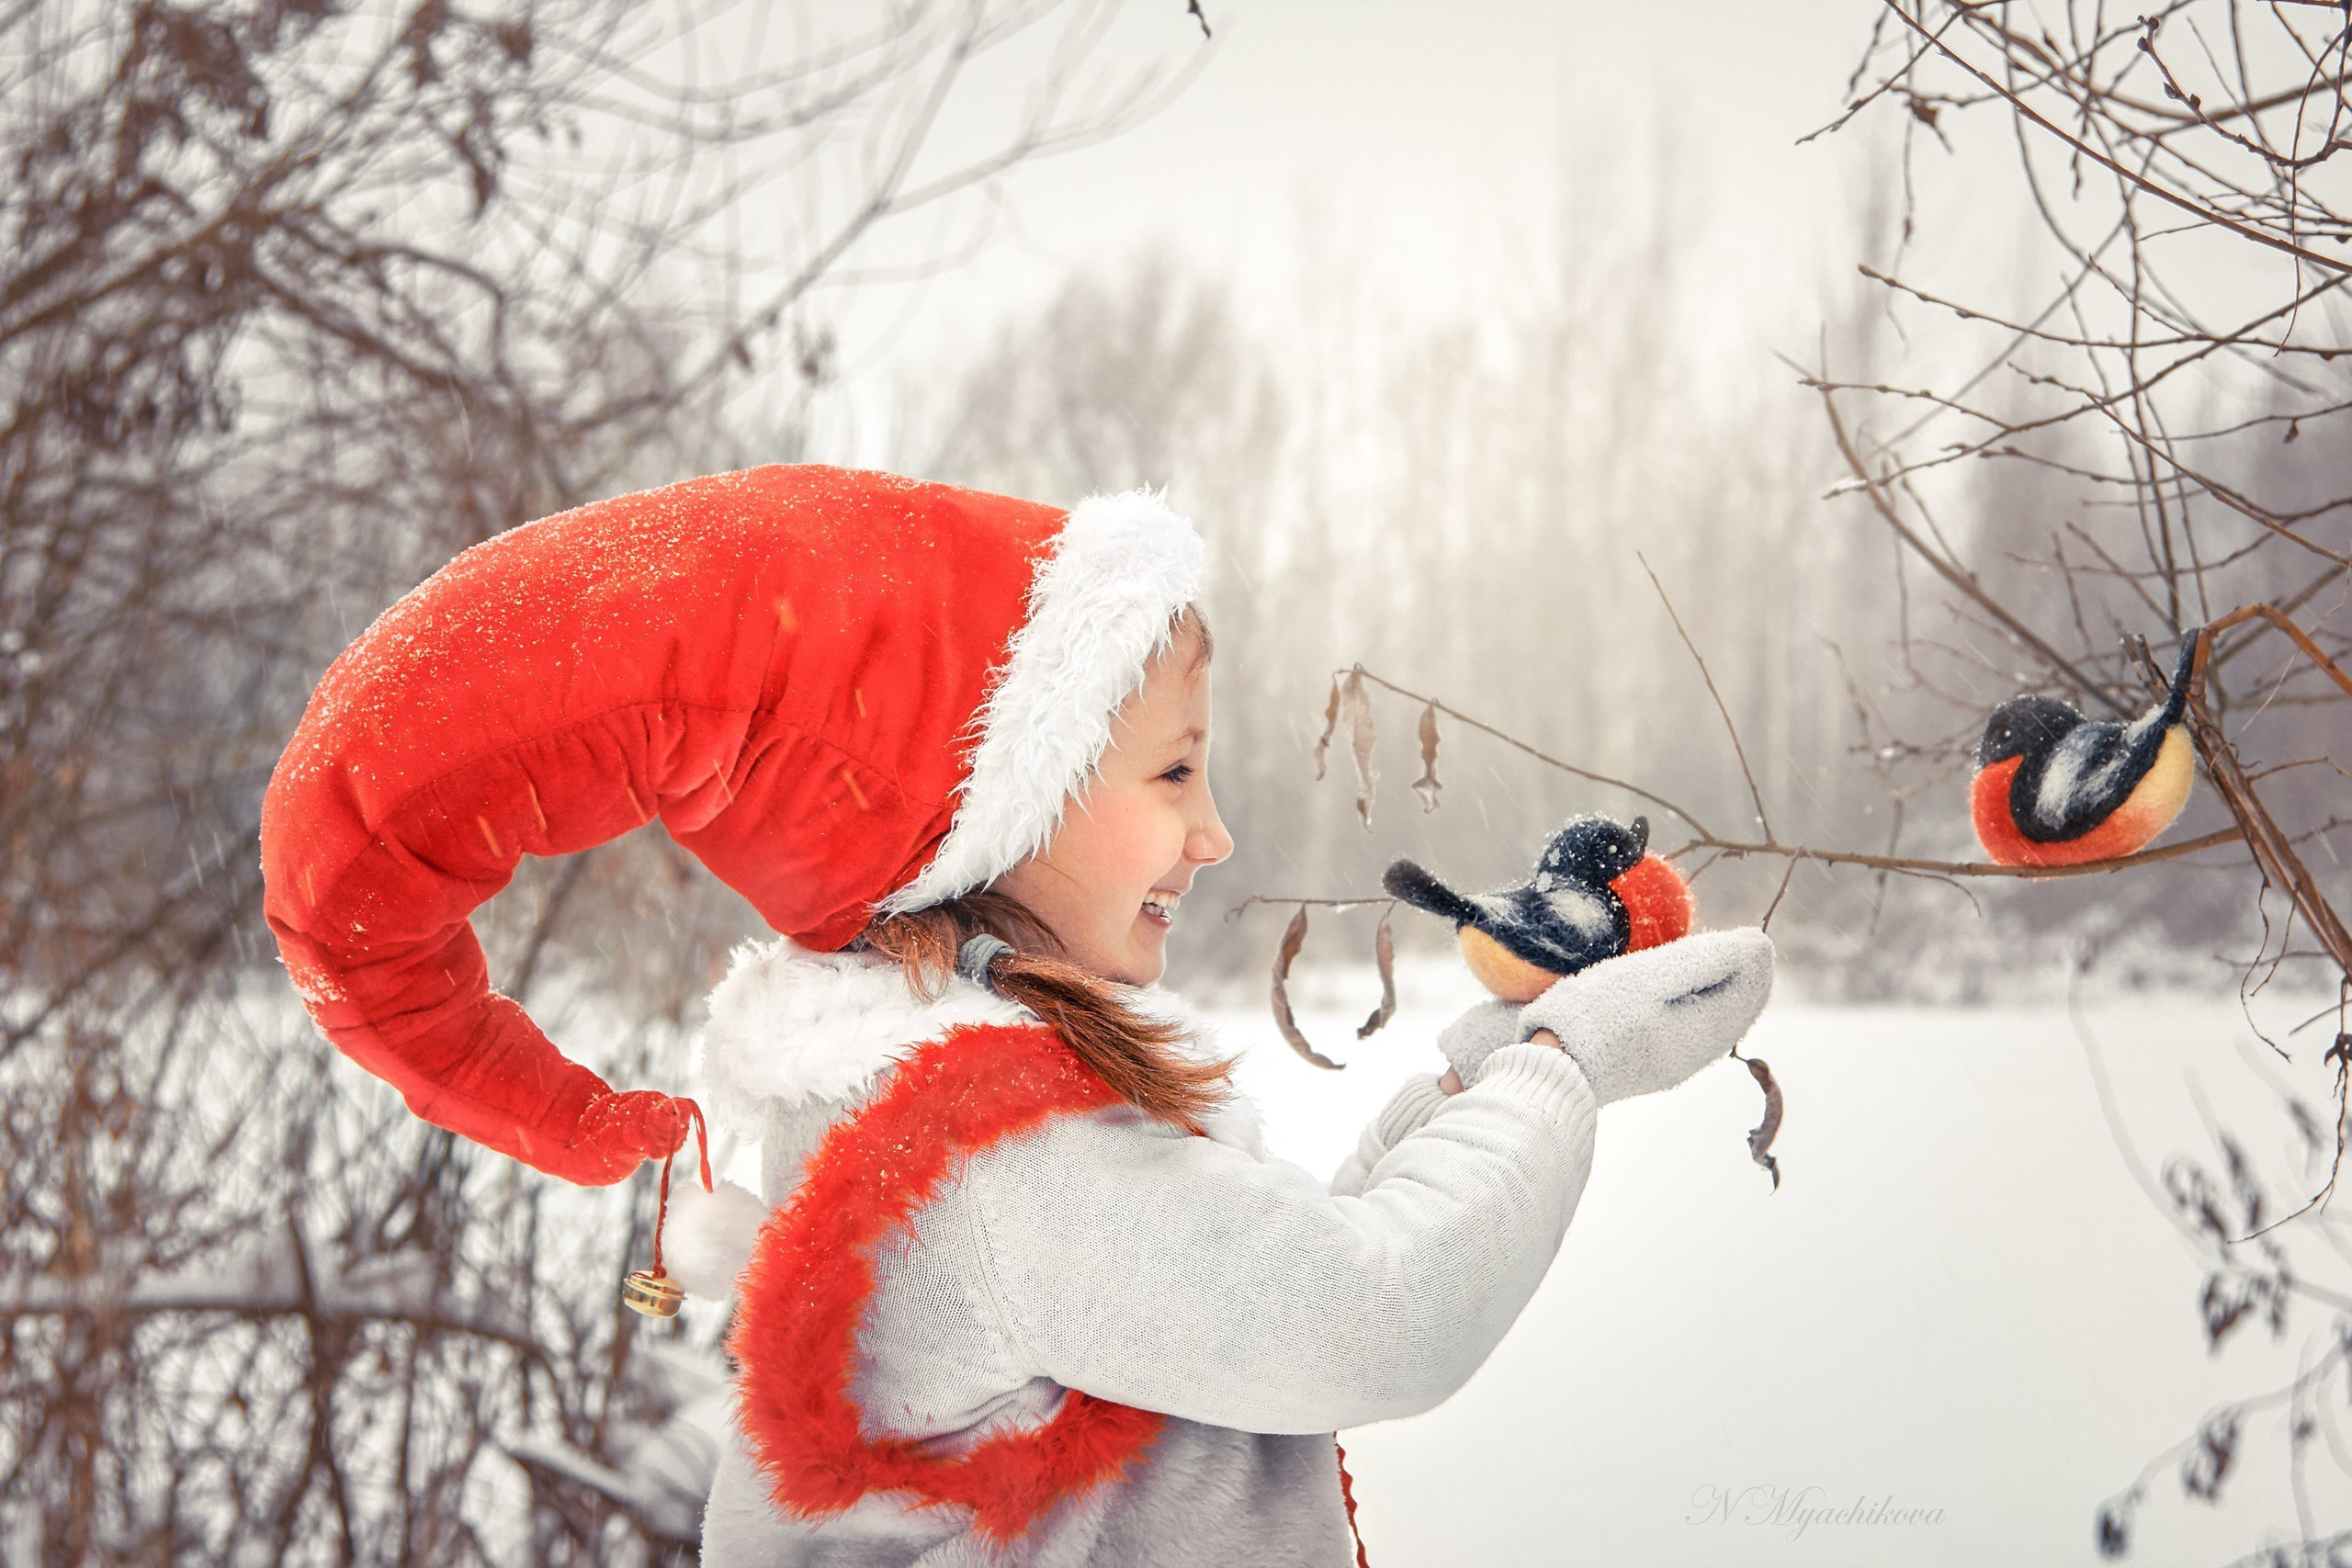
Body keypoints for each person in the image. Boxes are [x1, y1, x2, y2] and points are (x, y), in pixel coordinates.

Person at [257, 466, 1774, 1568]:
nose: (1216, 832)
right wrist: (1568, 1071)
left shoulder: (955, 1116)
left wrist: (1494, 1067)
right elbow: (1368, 1316)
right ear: (996, 817)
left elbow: (1276, 1262)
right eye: (1174, 773)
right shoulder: (985, 1157)